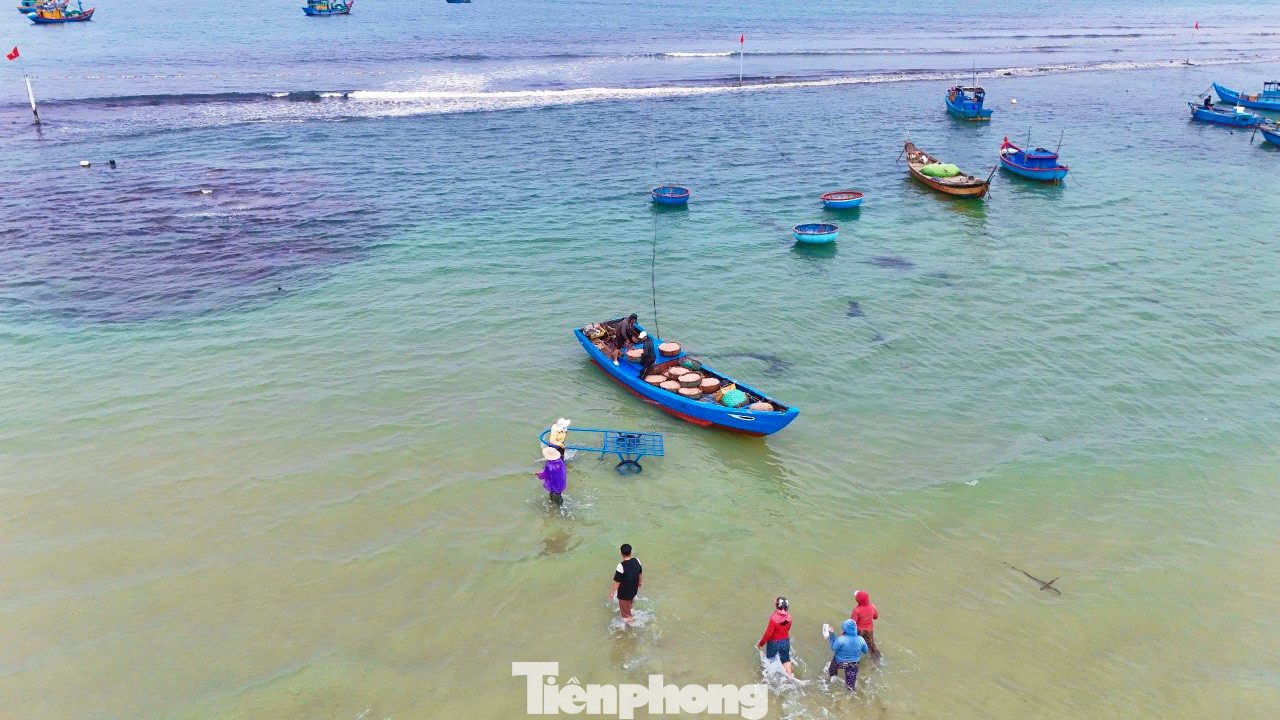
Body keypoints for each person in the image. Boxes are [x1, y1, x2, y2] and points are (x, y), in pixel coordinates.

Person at [824, 619, 869, 691]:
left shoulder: (841, 639)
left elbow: (833, 647)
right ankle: (851, 695)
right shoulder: (861, 639)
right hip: (853, 664)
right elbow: (865, 650)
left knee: (833, 669)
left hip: (839, 662)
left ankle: (833, 678)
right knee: (850, 685)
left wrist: (832, 635)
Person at [757, 597, 794, 676]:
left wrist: (761, 644)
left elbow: (768, 634)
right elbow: (787, 629)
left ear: (777, 606)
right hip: (785, 642)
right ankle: (790, 677)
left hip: (773, 643)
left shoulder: (773, 619)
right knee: (786, 660)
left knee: (770, 659)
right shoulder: (789, 618)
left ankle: (771, 676)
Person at [609, 543, 643, 625]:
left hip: (624, 595)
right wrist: (639, 583)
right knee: (629, 605)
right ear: (631, 552)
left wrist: (612, 593)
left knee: (626, 616)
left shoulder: (621, 566)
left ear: (621, 553)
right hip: (633, 590)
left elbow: (617, 583)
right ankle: (630, 612)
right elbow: (640, 574)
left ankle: (631, 628)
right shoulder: (637, 561)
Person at [850, 590, 880, 657]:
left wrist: (845, 633)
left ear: (857, 600)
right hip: (869, 630)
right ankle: (877, 658)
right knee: (871, 645)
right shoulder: (872, 607)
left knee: (856, 645)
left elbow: (852, 623)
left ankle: (854, 659)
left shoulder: (856, 610)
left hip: (859, 631)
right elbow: (876, 617)